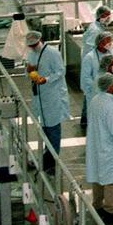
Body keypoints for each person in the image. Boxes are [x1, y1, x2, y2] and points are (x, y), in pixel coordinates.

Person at [26, 30, 69, 175]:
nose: (33, 47)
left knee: (53, 128)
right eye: (30, 45)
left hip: (53, 95)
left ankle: (53, 161)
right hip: (40, 95)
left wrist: (47, 79)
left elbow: (60, 71)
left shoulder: (52, 53)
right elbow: (31, 69)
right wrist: (31, 73)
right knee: (45, 127)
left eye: (34, 44)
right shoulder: (32, 54)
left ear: (40, 40)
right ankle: (47, 156)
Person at [86, 73, 113, 222]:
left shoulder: (95, 100)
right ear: (110, 86)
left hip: (96, 145)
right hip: (109, 147)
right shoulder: (112, 106)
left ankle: (97, 205)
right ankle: (110, 210)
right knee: (111, 179)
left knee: (98, 176)